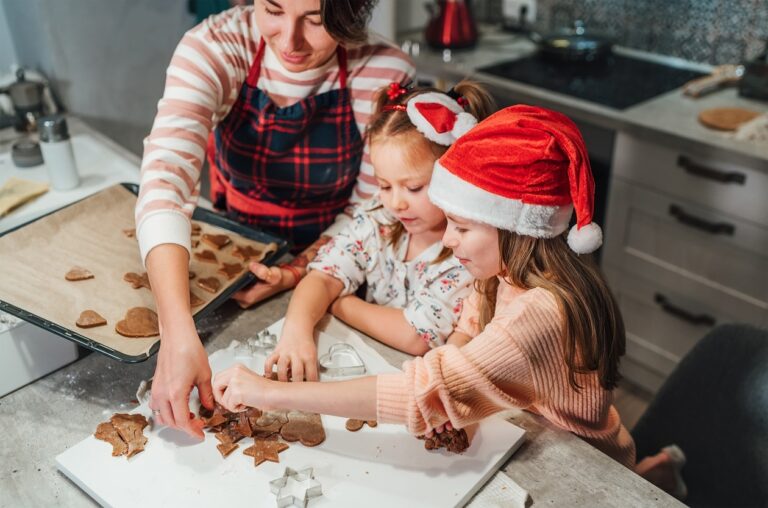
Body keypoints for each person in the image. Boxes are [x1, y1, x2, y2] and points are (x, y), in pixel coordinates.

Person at [212, 104, 685, 495]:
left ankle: (653, 475)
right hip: (528, 429)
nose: (451, 242)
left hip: (588, 470)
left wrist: (268, 392)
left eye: (462, 227)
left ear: (514, 227)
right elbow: (467, 336)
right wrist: (460, 403)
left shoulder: (540, 312)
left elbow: (419, 390)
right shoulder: (500, 271)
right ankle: (661, 467)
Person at [139, 1, 414, 438]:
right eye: (272, 9)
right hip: (237, 256)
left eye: (316, 19)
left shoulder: (383, 71)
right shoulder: (216, 47)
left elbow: (369, 209)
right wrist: (175, 331)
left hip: (337, 265)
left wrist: (298, 272)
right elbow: (165, 180)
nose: (290, 41)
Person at [266, 81, 495, 382]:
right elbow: (322, 276)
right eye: (385, 185)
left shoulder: (468, 252)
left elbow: (415, 337)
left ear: (456, 175)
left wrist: (339, 302)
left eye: (413, 188)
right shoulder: (380, 218)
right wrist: (295, 331)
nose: (396, 202)